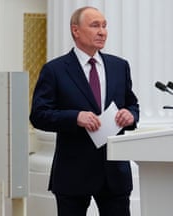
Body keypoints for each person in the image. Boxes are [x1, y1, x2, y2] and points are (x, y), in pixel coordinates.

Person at [30, 6, 139, 216]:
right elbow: (39, 115)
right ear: (75, 31)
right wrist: (75, 117)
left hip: (114, 173)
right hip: (73, 173)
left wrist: (130, 115)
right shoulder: (55, 70)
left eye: (104, 26)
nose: (102, 31)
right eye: (95, 25)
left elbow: (132, 104)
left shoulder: (119, 66)